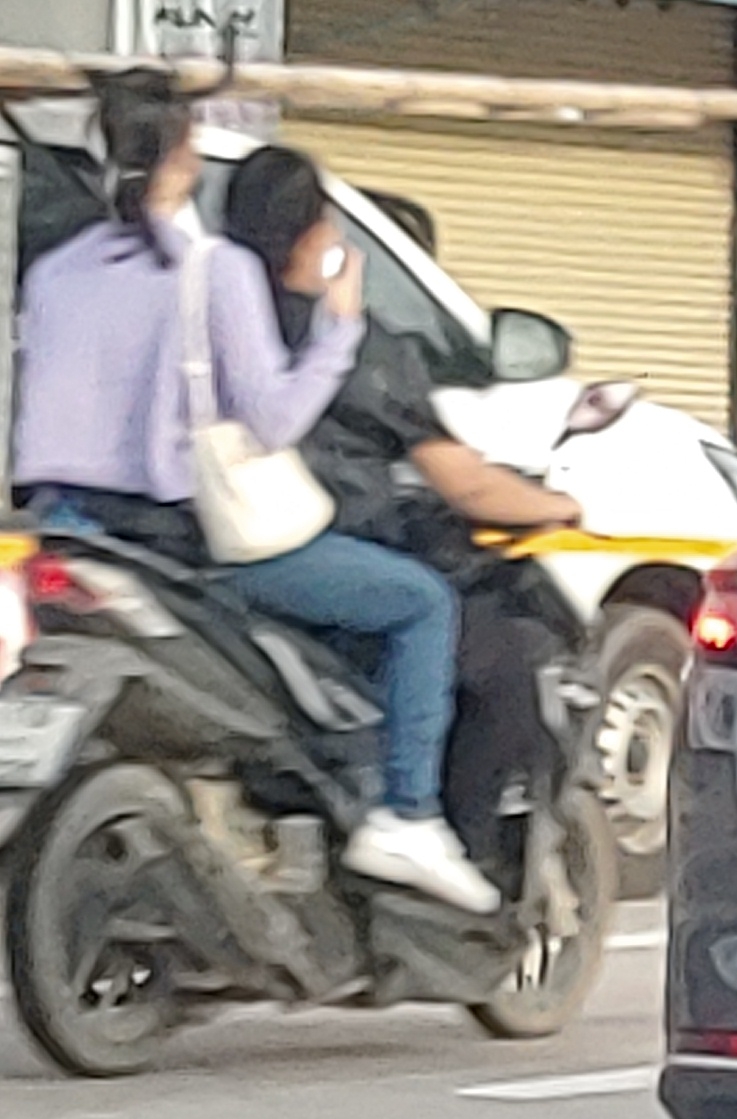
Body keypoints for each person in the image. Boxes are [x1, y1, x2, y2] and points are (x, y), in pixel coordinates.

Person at [10, 71, 496, 914]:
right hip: (183, 546)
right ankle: (408, 814)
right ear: (184, 160)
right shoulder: (213, 271)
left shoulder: (54, 273)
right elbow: (272, 419)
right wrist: (339, 328)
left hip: (65, 530)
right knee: (420, 603)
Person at [220, 144, 584, 866]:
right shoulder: (355, 344)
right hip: (322, 554)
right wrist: (557, 505)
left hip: (203, 546)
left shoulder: (214, 319)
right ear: (316, 236)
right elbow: (466, 485)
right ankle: (435, 833)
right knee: (497, 660)